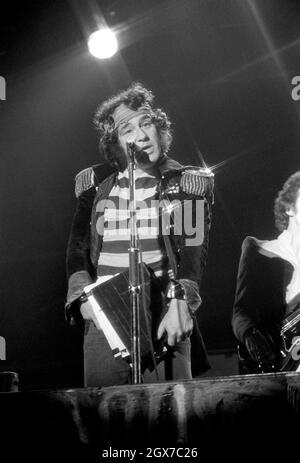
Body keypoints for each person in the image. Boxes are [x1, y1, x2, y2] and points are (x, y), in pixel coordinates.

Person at [65, 83, 214, 387]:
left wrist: (181, 303)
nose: (142, 135)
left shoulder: (186, 185)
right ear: (115, 143)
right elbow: (77, 248)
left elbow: (193, 251)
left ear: (160, 129)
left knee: (169, 420)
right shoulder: (95, 187)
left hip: (164, 312)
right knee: (107, 420)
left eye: (147, 123)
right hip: (103, 316)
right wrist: (83, 300)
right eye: (128, 129)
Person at [232, 171, 300, 373]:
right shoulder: (259, 249)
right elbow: (240, 312)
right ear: (289, 208)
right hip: (276, 366)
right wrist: (251, 335)